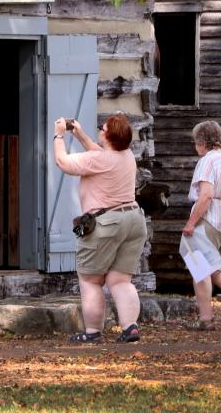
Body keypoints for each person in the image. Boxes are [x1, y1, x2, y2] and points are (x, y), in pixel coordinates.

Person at [54, 113, 147, 344]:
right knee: (120, 280)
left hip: (106, 222)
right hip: (133, 220)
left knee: (90, 280)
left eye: (101, 128)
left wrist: (59, 136)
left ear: (108, 136)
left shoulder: (99, 160)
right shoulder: (126, 155)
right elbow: (101, 153)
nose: (99, 129)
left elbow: (62, 162)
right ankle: (130, 328)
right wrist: (81, 135)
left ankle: (93, 331)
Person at [182, 120, 221, 331]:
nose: (195, 146)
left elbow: (206, 195)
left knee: (201, 268)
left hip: (209, 219)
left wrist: (191, 224)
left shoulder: (208, 161)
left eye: (195, 142)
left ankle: (206, 319)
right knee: (217, 270)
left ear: (202, 142)